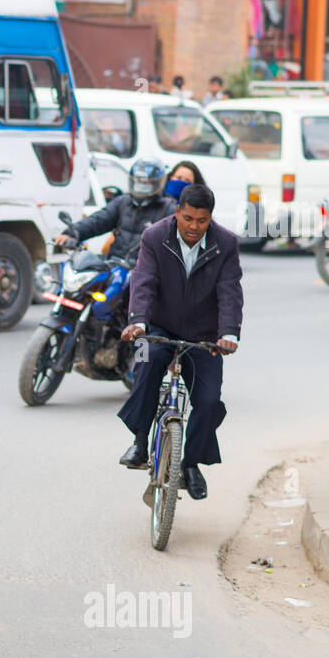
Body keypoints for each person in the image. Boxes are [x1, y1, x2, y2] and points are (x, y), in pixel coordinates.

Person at [116, 183, 242, 501]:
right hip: (157, 327)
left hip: (205, 336)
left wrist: (228, 333)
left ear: (210, 218)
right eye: (188, 218)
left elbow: (230, 289)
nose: (193, 227)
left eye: (201, 221)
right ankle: (140, 441)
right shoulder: (154, 237)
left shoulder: (225, 243)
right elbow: (144, 280)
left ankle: (190, 463)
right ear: (177, 212)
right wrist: (137, 321)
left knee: (209, 400)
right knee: (145, 364)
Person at [57, 158, 176, 262]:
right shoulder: (123, 202)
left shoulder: (168, 209)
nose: (141, 185)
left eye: (147, 182)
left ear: (158, 183)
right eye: (138, 181)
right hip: (115, 267)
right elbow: (98, 220)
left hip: (145, 274)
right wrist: (72, 233)